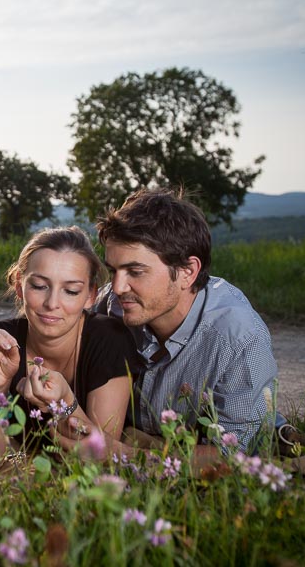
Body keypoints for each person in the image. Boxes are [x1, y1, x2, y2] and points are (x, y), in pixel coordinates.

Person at [82, 188, 282, 460]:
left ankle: (282, 430)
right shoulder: (110, 305)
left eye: (136, 272)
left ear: (188, 272)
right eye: (115, 270)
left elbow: (231, 454)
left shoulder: (241, 339)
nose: (117, 287)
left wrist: (126, 456)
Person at [0, 226, 137, 458]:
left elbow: (100, 457)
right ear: (19, 285)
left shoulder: (110, 341)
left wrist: (66, 402)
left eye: (71, 290)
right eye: (39, 286)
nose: (52, 303)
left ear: (90, 295)